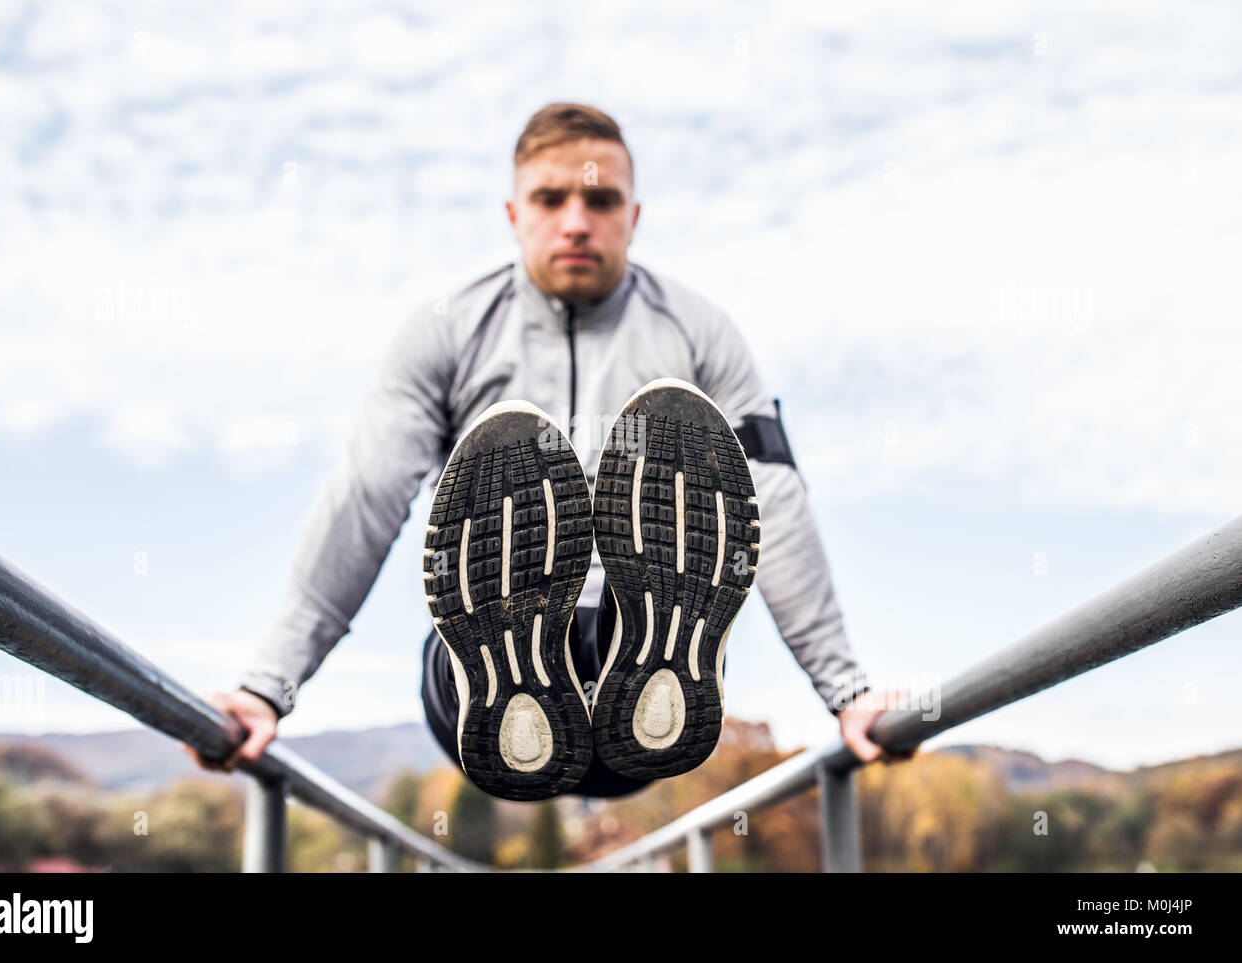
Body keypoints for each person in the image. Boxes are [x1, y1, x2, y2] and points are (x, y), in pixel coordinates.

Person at [183, 102, 914, 798]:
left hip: (642, 704)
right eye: (550, 198)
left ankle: (644, 673)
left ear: (633, 216)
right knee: (479, 636)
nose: (576, 222)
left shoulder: (699, 335)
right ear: (513, 214)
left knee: (628, 626)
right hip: (477, 692)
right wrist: (268, 684)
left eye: (601, 201)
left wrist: (846, 688)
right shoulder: (447, 333)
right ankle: (517, 678)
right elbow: (366, 496)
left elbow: (771, 500)